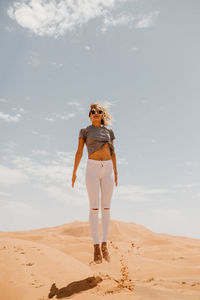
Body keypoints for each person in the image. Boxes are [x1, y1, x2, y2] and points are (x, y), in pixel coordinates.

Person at [72, 103, 118, 264]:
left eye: (98, 111)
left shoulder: (109, 131)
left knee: (106, 208)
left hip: (108, 169)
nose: (96, 113)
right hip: (92, 168)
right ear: (89, 116)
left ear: (102, 115)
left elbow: (113, 152)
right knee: (94, 207)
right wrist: (74, 171)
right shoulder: (85, 131)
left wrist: (116, 172)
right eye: (93, 112)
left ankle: (105, 245)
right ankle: (96, 247)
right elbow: (79, 151)